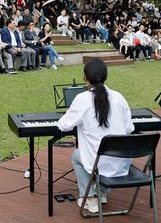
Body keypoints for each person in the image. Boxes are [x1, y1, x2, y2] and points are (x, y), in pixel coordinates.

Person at [56, 59, 134, 213]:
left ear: (86, 78)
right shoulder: (119, 97)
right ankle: (102, 192)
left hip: (97, 163)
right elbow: (129, 128)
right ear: (105, 77)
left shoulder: (82, 99)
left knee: (76, 156)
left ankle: (90, 198)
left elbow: (64, 125)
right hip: (120, 162)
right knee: (101, 155)